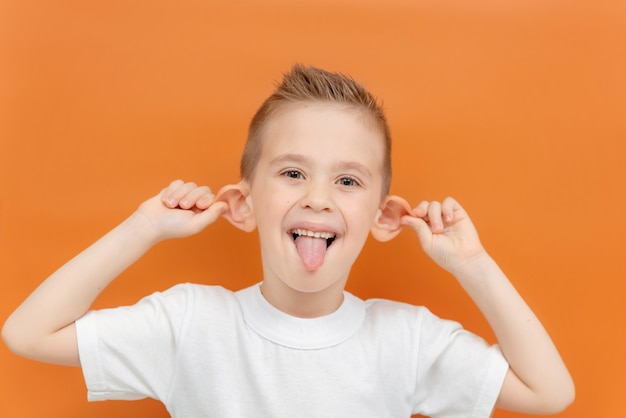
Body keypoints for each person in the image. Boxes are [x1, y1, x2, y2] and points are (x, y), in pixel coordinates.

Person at [2, 64, 574, 417]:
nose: (318, 199)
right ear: (244, 204)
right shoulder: (189, 325)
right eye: (293, 173)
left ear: (382, 216)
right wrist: (143, 227)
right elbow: (26, 333)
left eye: (347, 181)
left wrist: (471, 265)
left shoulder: (408, 340)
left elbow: (551, 394)